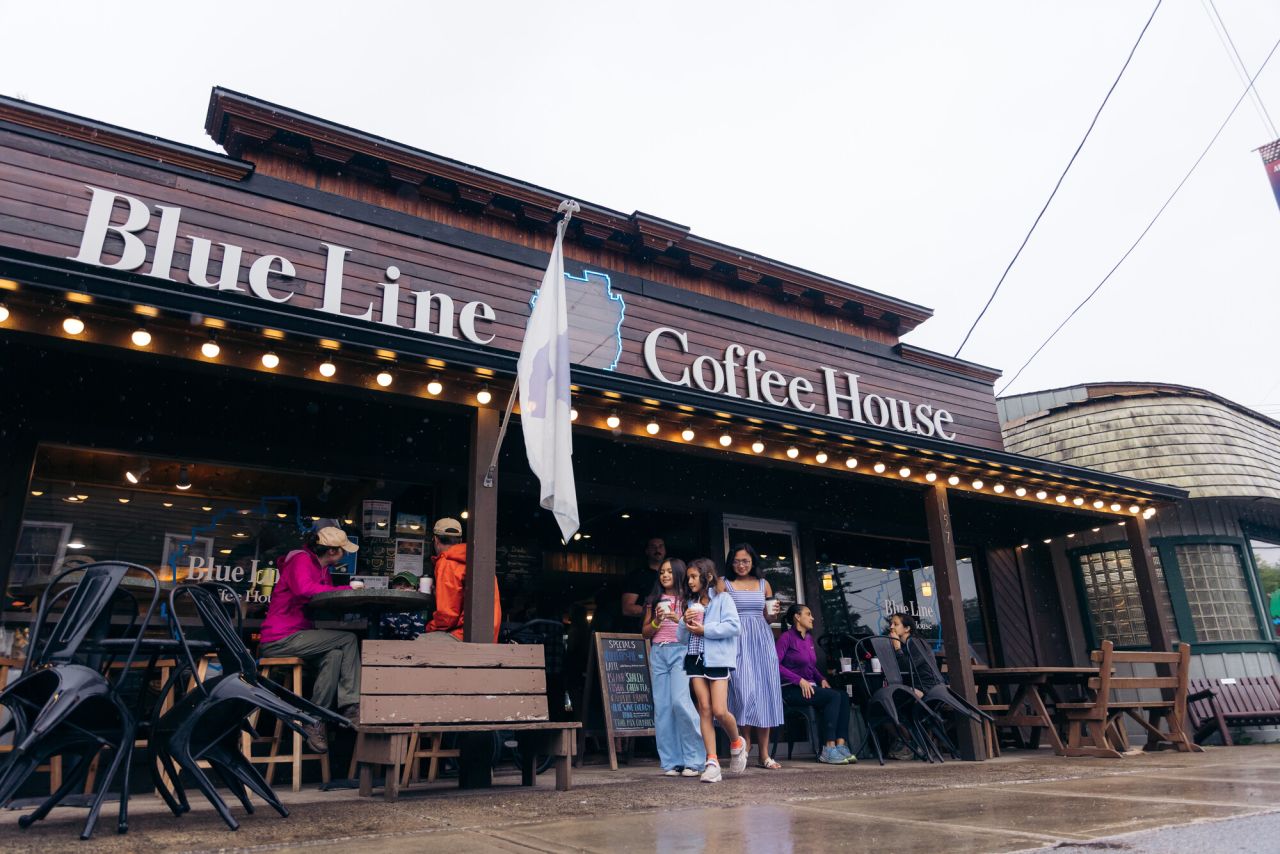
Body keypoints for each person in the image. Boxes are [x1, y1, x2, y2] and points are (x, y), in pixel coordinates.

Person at [260, 526, 361, 754]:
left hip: (299, 635)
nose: (345, 554)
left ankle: (314, 719)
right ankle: (351, 706)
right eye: (343, 550)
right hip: (280, 638)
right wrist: (347, 589)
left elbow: (321, 596)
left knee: (334, 655)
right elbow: (305, 590)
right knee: (348, 639)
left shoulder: (322, 569)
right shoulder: (302, 561)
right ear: (333, 551)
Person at [680, 557, 748, 783]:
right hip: (694, 658)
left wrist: (704, 629)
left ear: (707, 576)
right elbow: (681, 638)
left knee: (720, 710)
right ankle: (712, 762)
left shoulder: (724, 599)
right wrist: (683, 621)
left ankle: (737, 742)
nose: (689, 581)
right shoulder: (690, 604)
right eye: (687, 577)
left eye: (692, 577)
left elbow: (734, 627)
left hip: (718, 660)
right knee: (705, 709)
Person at [720, 543, 785, 768]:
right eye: (736, 561)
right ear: (731, 562)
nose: (741, 565)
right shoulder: (724, 583)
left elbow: (769, 618)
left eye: (745, 561)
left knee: (765, 693)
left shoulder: (763, 584)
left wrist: (773, 615)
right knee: (743, 691)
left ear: (753, 562)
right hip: (737, 640)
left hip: (762, 640)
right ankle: (745, 744)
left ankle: (764, 754)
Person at [641, 558, 704, 777]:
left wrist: (677, 618)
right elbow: (645, 633)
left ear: (679, 574)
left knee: (680, 702)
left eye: (669, 571)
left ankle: (695, 760)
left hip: (680, 651)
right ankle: (671, 762)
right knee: (663, 708)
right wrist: (657, 621)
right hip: (658, 652)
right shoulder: (654, 599)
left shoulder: (690, 600)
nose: (665, 575)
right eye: (661, 572)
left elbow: (694, 630)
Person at [777, 604, 855, 764]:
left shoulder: (809, 639)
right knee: (833, 697)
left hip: (810, 688)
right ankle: (828, 748)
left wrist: (821, 679)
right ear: (797, 617)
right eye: (808, 614)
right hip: (790, 690)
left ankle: (840, 745)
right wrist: (798, 680)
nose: (812, 618)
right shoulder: (786, 637)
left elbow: (810, 667)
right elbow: (774, 665)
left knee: (843, 696)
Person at [423, 517, 501, 642]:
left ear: (436, 540)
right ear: (460, 540)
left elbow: (447, 616)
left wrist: (428, 627)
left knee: (418, 645)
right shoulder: (479, 559)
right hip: (488, 636)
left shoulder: (447, 562)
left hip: (464, 635)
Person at [887, 612, 942, 696]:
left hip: (927, 687)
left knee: (894, 696)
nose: (891, 627)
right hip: (915, 685)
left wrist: (897, 648)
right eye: (891, 624)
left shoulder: (915, 642)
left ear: (907, 628)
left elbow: (906, 667)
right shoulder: (905, 645)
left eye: (896, 624)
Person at [620, 536, 667, 631]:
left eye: (661, 546)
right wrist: (655, 612)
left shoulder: (673, 575)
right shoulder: (637, 576)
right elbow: (627, 608)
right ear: (647, 551)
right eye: (653, 547)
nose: (657, 549)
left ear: (665, 551)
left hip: (669, 631)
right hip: (642, 631)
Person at [379, 570, 427, 640]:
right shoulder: (386, 608)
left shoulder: (419, 609)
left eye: (407, 585)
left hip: (412, 648)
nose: (402, 587)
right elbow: (381, 636)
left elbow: (418, 638)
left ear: (415, 589)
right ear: (392, 586)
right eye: (399, 584)